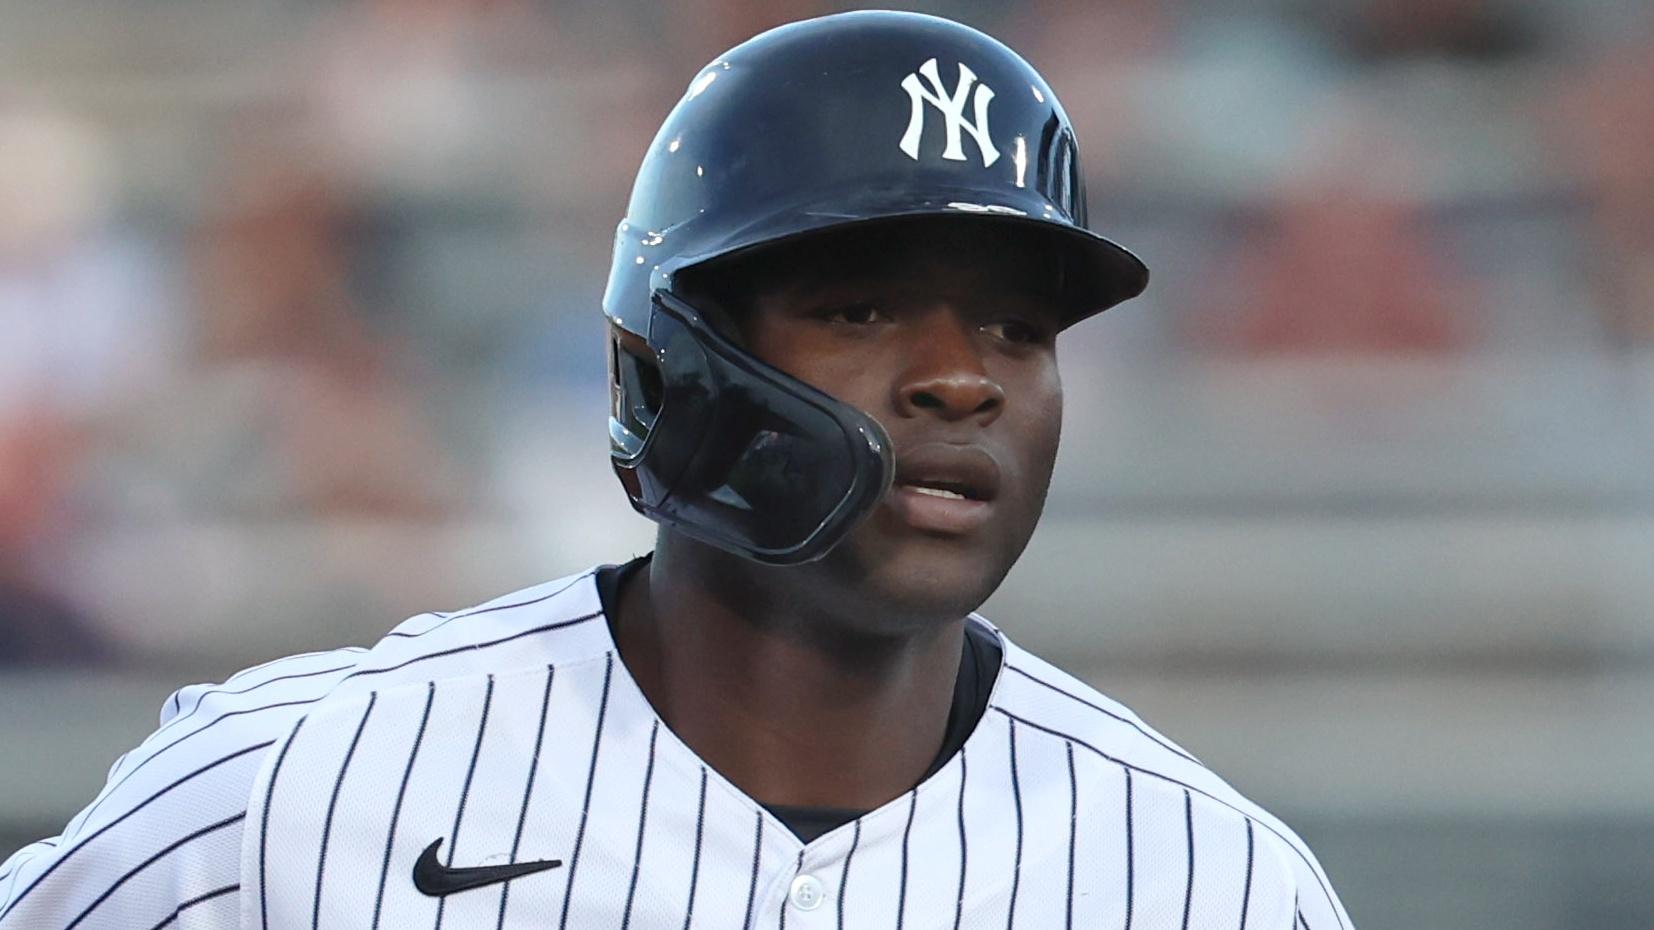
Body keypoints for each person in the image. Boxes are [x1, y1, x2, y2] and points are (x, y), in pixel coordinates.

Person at [0, 11, 1353, 929]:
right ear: (666, 364)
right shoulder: (297, 786)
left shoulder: (1204, 882)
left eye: (1016, 326)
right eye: (861, 306)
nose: (964, 377)